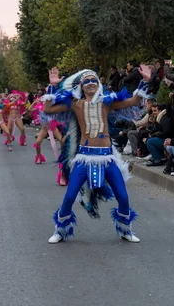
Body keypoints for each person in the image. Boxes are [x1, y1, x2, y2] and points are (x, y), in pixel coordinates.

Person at [43, 66, 151, 243]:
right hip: (84, 157)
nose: (91, 83)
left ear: (99, 84)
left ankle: (125, 229)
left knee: (123, 196)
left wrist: (145, 81)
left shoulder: (107, 103)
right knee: (70, 196)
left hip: (107, 158)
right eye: (87, 81)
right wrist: (52, 86)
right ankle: (61, 230)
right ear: (82, 86)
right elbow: (48, 109)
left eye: (94, 80)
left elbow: (133, 101)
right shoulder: (76, 104)